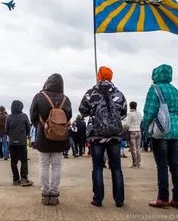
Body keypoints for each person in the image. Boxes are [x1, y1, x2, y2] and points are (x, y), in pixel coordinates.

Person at [79, 66, 127, 208]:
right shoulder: (119, 93)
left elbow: (82, 110)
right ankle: (119, 199)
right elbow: (123, 113)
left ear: (99, 76)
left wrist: (93, 111)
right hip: (114, 135)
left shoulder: (91, 92)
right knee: (116, 167)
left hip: (96, 136)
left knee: (98, 167)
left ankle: (98, 198)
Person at [143, 64, 178, 209]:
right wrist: (172, 120)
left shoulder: (155, 89)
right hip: (175, 130)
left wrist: (147, 128)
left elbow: (150, 111)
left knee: (162, 166)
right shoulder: (174, 90)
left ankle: (163, 197)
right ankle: (177, 199)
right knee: (175, 165)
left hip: (160, 132)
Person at [30, 73, 72, 206]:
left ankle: (45, 192)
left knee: (43, 164)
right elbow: (68, 116)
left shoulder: (39, 97)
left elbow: (32, 116)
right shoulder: (66, 99)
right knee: (56, 165)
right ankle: (54, 193)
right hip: (60, 136)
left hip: (44, 134)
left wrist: (43, 123)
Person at [6, 100, 33, 186]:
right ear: (21, 107)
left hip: (12, 142)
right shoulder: (24, 116)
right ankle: (24, 178)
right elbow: (28, 128)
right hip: (22, 142)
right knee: (24, 161)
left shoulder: (9, 117)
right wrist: (26, 134)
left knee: (13, 162)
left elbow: (6, 130)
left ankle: (16, 179)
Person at [122, 101, 143, 168]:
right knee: (138, 148)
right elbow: (142, 120)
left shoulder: (130, 114)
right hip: (139, 131)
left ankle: (134, 163)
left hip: (132, 132)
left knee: (133, 149)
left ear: (130, 106)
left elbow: (127, 124)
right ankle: (138, 163)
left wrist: (122, 125)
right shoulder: (139, 114)